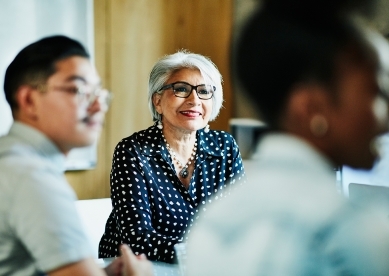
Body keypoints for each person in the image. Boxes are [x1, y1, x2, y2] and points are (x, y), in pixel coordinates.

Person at [185, 0, 389, 275]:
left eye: (203, 92)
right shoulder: (355, 233)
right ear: (312, 109)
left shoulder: (212, 223)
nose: (385, 116)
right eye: (377, 92)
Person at [0, 35, 152, 276]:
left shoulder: (12, 160)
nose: (98, 106)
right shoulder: (31, 176)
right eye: (79, 90)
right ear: (29, 100)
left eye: (98, 93)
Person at [98, 50, 246, 264]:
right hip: (138, 269)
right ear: (157, 101)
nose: (194, 100)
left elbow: (242, 221)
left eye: (204, 91)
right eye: (181, 89)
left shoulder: (225, 147)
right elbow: (138, 239)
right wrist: (202, 254)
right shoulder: (133, 151)